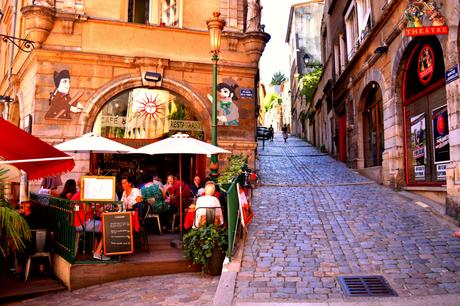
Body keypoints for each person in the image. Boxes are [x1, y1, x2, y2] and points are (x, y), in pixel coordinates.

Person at [71, 175, 110, 261]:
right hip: (83, 223)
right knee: (108, 228)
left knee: (101, 227)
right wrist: (98, 209)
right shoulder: (83, 194)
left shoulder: (77, 194)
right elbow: (87, 209)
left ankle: (97, 250)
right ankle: (98, 253)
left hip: (77, 222)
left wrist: (97, 209)